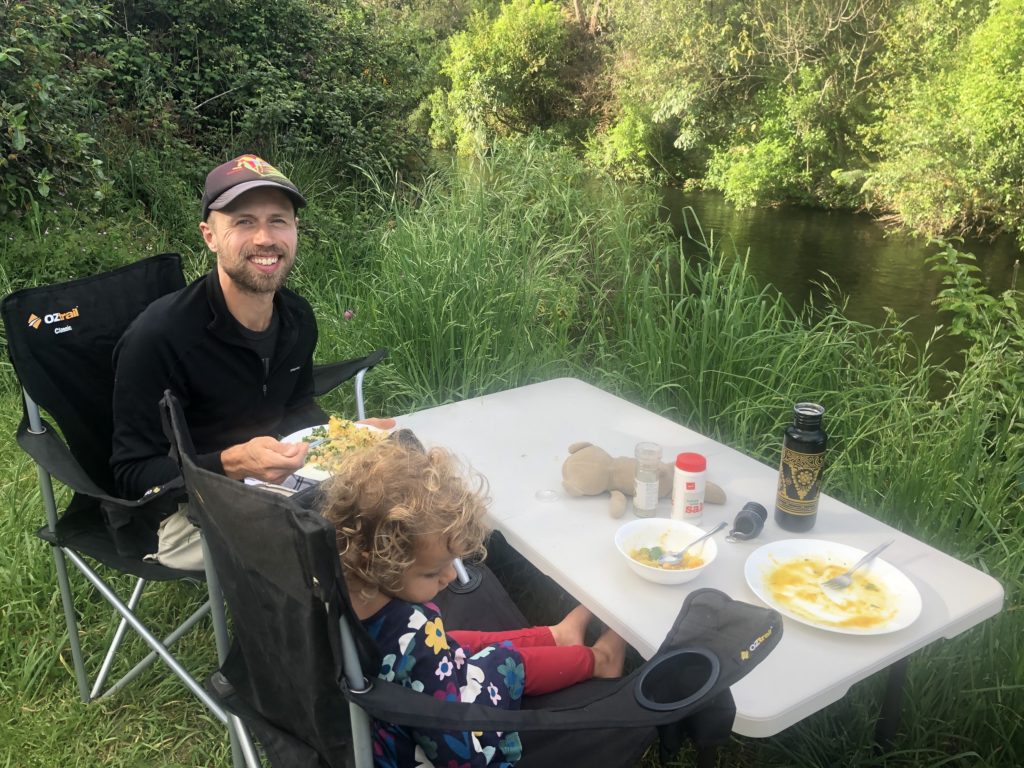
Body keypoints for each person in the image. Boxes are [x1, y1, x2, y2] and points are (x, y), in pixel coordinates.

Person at [320, 439, 627, 768]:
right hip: (417, 741)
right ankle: (599, 661)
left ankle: (558, 636)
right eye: (433, 571)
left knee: (462, 641)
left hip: (376, 705)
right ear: (380, 562)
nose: (451, 576)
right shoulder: (416, 636)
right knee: (503, 661)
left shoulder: (330, 580)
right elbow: (454, 744)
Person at [111, 154, 330, 568]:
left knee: (395, 490)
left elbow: (299, 410)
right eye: (244, 221)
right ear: (209, 235)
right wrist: (230, 464)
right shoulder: (158, 338)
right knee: (334, 539)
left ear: (295, 230)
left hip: (279, 484)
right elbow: (132, 474)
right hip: (183, 512)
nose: (265, 238)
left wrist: (343, 439)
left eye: (278, 220)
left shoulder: (297, 317)